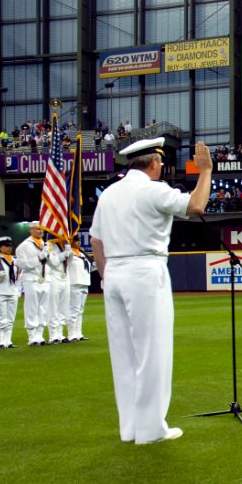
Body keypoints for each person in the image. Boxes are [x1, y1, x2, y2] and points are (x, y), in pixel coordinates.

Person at [90, 137, 212, 445]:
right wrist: (206, 171)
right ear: (154, 163)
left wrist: (107, 278)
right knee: (152, 351)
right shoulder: (153, 189)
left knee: (124, 354)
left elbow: (96, 242)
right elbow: (196, 206)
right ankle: (151, 430)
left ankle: (130, 428)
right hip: (145, 270)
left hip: (114, 272)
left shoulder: (109, 194)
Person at [15, 221, 50, 346]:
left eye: (42, 229)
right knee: (32, 308)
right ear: (30, 230)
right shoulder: (23, 246)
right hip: (31, 279)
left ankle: (40, 335)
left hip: (45, 279)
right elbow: (23, 264)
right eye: (37, 229)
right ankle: (32, 336)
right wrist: (39, 257)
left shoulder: (46, 245)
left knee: (43, 309)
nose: (40, 231)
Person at [0, 236, 20, 349]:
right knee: (0, 318)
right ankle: (0, 341)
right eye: (6, 245)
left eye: (10, 245)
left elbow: (17, 277)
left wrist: (18, 290)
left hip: (12, 292)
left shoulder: (15, 261)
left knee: (10, 319)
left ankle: (8, 340)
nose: (9, 247)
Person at [45, 237, 73, 344]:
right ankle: (53, 334)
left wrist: (68, 251)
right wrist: (64, 253)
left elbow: (69, 261)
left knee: (63, 307)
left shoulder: (64, 245)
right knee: (53, 306)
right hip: (53, 276)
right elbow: (54, 262)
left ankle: (60, 333)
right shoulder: (49, 245)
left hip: (65, 276)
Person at [66, 234, 93, 341]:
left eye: (79, 240)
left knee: (80, 310)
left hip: (84, 282)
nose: (78, 242)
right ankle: (71, 333)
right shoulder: (70, 253)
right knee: (74, 309)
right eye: (75, 240)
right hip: (74, 283)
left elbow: (91, 266)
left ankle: (78, 333)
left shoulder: (82, 254)